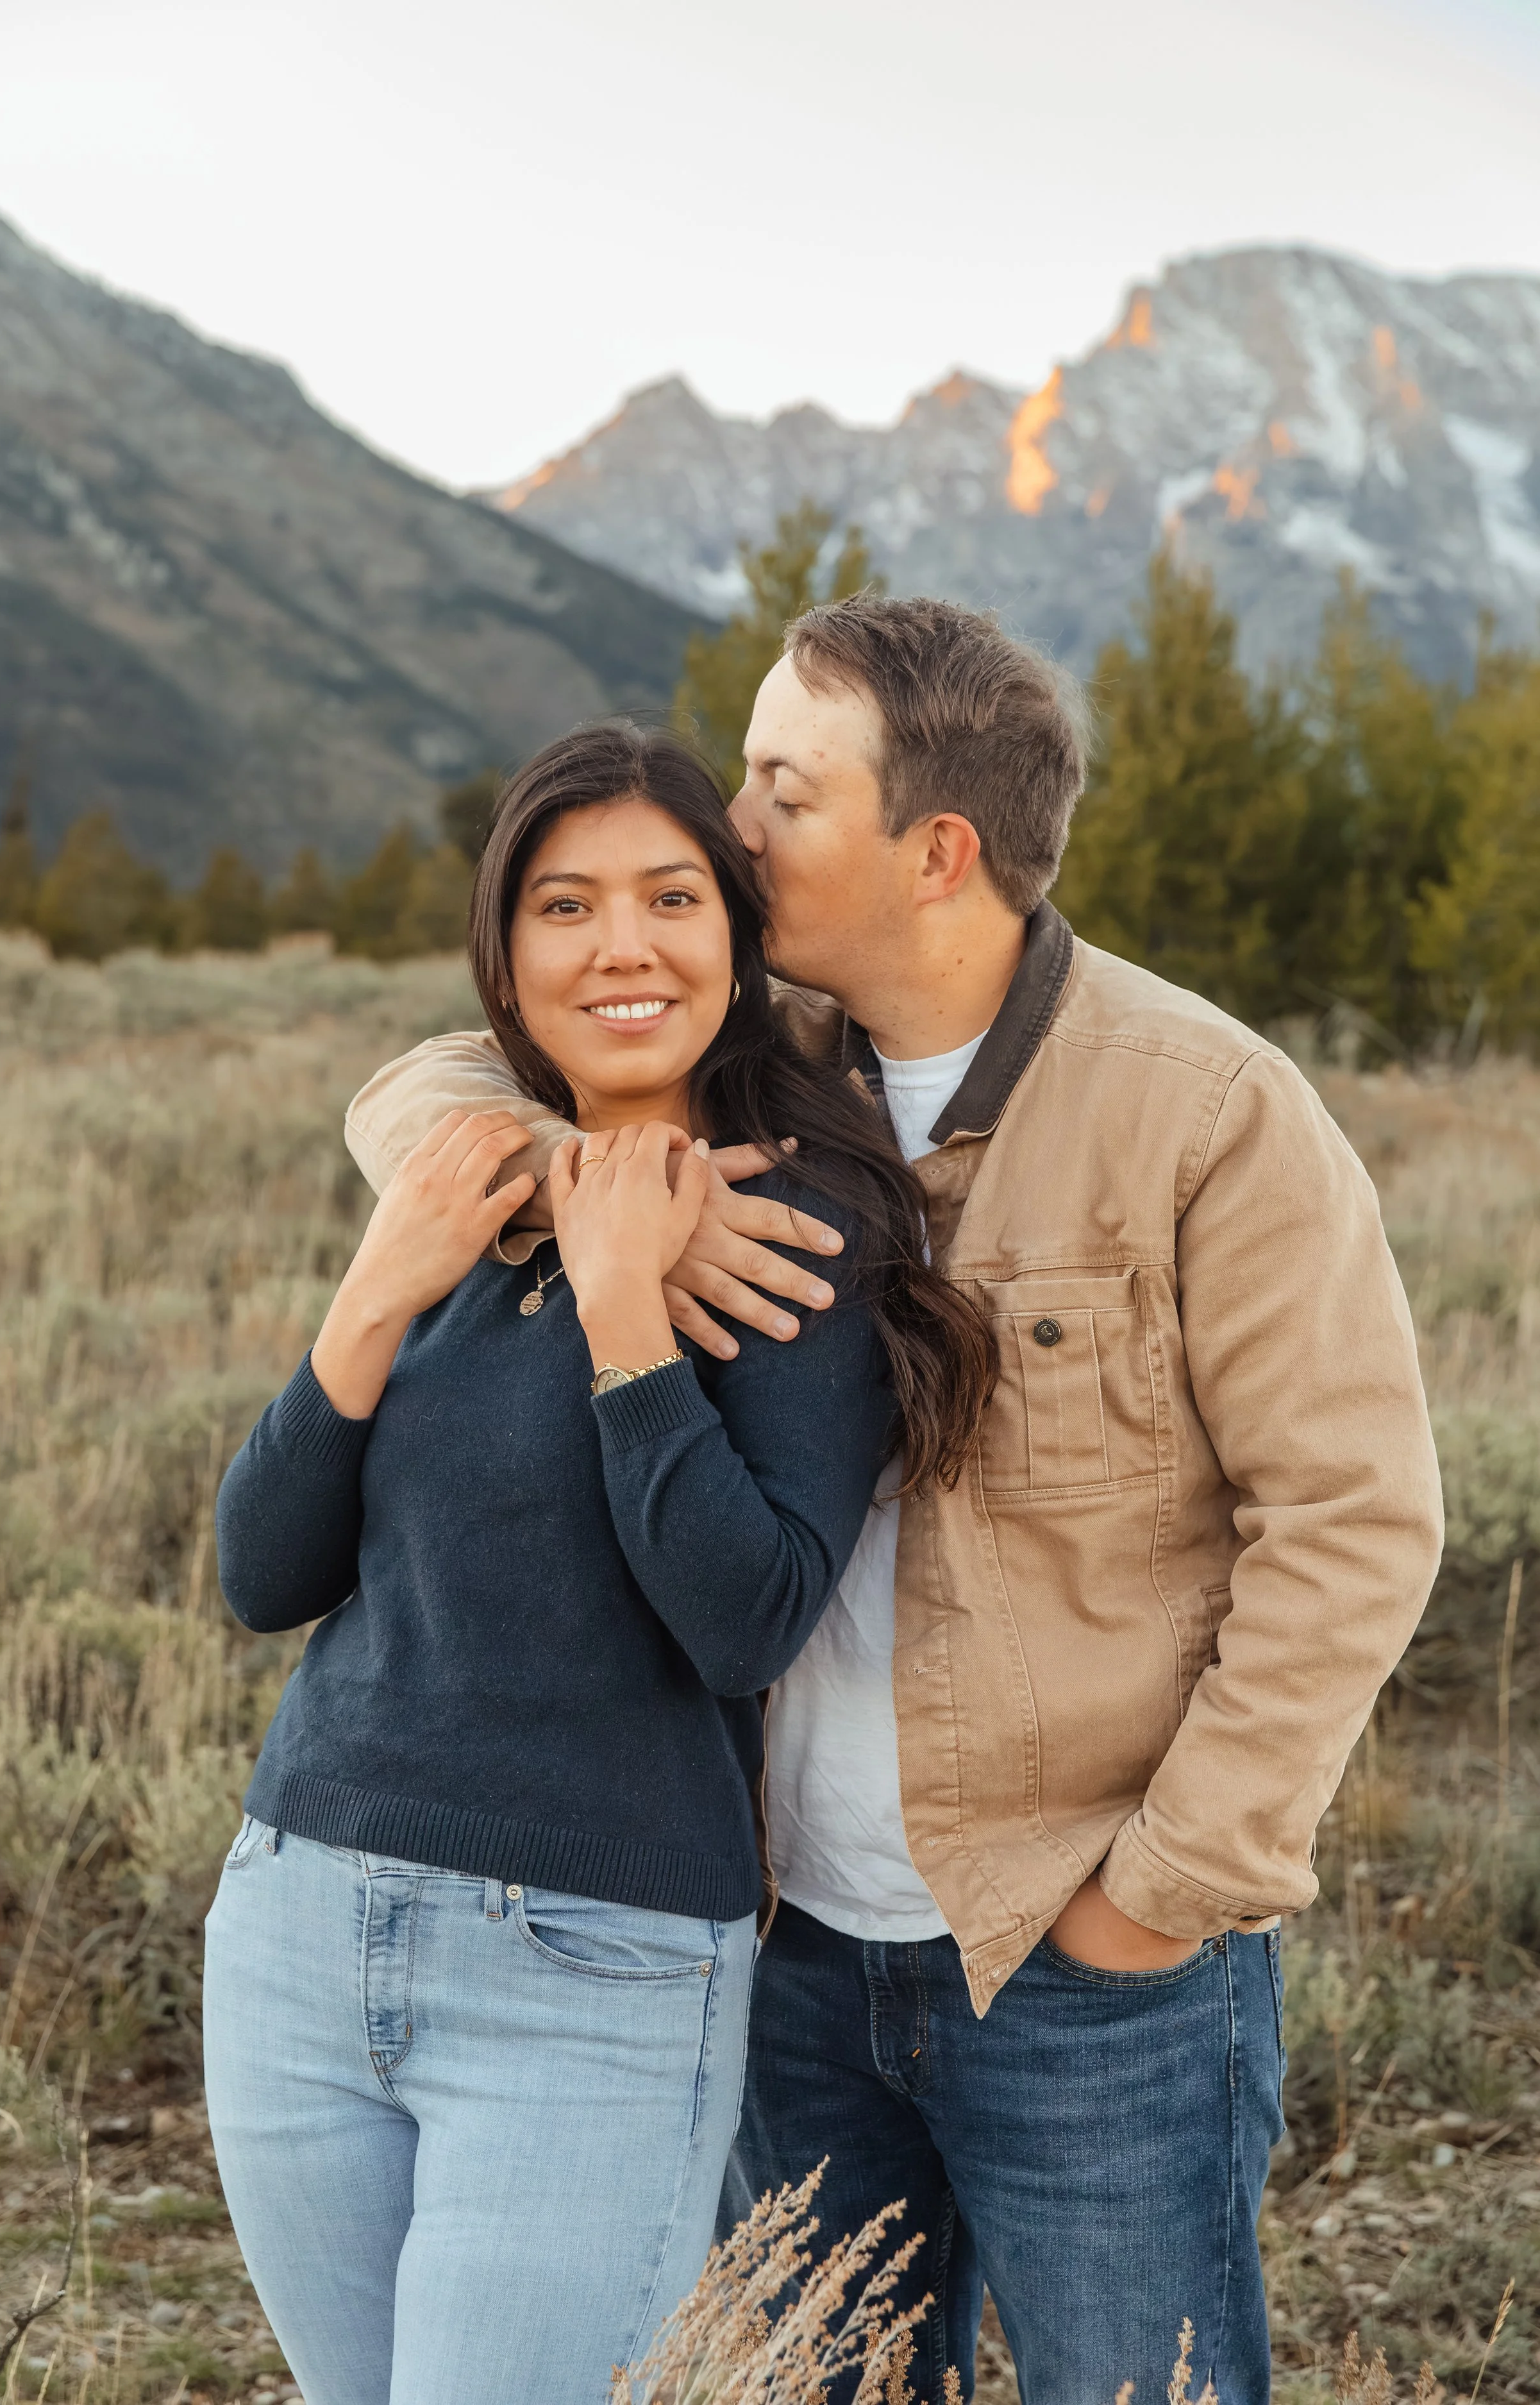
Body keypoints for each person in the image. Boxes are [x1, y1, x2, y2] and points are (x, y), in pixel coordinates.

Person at [344, 598, 1444, 2405]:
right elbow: (409, 1092)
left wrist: (1155, 1898)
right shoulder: (750, 1058)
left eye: (782, 789)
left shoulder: (1206, 1112)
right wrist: (593, 1187)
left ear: (934, 850)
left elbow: (1354, 1524)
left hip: (1083, 1965)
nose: (732, 828)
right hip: (778, 1950)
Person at [203, 722, 995, 2405]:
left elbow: (745, 1619)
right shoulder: (469, 1179)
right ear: (504, 953)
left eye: (667, 897)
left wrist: (631, 1318)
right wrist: (376, 1286)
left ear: (736, 929)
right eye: (564, 906)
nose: (619, 946)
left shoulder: (800, 1224)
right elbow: (262, 1570)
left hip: (590, 1966)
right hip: (297, 1917)